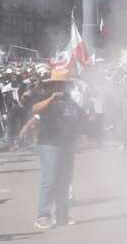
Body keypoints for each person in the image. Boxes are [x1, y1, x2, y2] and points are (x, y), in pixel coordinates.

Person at [30, 67, 86, 229]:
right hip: (48, 142)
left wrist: (80, 136)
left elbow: (79, 117)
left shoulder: (70, 99)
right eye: (58, 84)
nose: (61, 87)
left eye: (64, 84)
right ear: (53, 84)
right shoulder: (45, 96)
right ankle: (42, 216)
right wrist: (51, 99)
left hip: (67, 142)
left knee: (65, 179)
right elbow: (34, 109)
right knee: (51, 178)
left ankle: (62, 215)